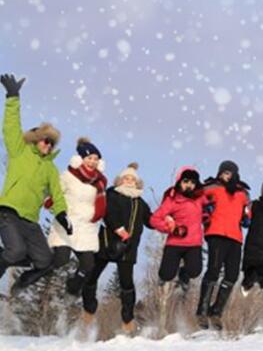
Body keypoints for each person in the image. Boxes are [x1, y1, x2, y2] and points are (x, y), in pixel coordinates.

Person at [0, 73, 70, 292]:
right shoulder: (20, 151)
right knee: (16, 252)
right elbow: (11, 127)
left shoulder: (50, 168)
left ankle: (22, 282)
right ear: (37, 139)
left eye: (52, 143)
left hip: (30, 220)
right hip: (8, 212)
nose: (48, 146)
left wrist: (61, 214)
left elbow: (57, 194)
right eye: (46, 141)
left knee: (45, 261)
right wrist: (13, 96)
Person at [81, 163, 152, 335]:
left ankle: (127, 319)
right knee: (91, 275)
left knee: (126, 283)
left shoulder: (140, 203)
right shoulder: (112, 194)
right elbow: (108, 213)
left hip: (128, 248)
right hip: (107, 243)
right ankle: (89, 309)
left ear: (137, 183)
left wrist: (166, 221)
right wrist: (118, 228)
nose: (129, 181)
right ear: (120, 180)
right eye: (126, 178)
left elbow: (150, 221)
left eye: (132, 179)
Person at [48, 138, 107, 297]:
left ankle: (72, 288)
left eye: (96, 159)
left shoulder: (100, 182)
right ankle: (31, 273)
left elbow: (100, 203)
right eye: (89, 158)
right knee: (60, 260)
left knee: (88, 265)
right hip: (68, 223)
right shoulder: (68, 176)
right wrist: (49, 201)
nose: (93, 162)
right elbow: (56, 192)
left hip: (87, 227)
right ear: (81, 159)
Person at [196, 160, 250, 330]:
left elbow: (247, 213)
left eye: (231, 173)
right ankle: (202, 311)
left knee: (232, 275)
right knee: (213, 269)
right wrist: (205, 214)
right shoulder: (210, 187)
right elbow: (198, 204)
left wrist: (247, 217)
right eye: (225, 172)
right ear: (220, 173)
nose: (228, 176)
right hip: (216, 233)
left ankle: (216, 312)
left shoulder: (242, 193)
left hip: (235, 236)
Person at [150, 166, 207, 301]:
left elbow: (213, 199)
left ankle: (183, 275)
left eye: (193, 183)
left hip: (193, 243)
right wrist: (171, 228)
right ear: (179, 182)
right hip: (175, 243)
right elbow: (154, 219)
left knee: (195, 271)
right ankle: (163, 277)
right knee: (167, 274)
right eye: (186, 181)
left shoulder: (200, 199)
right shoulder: (172, 200)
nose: (189, 185)